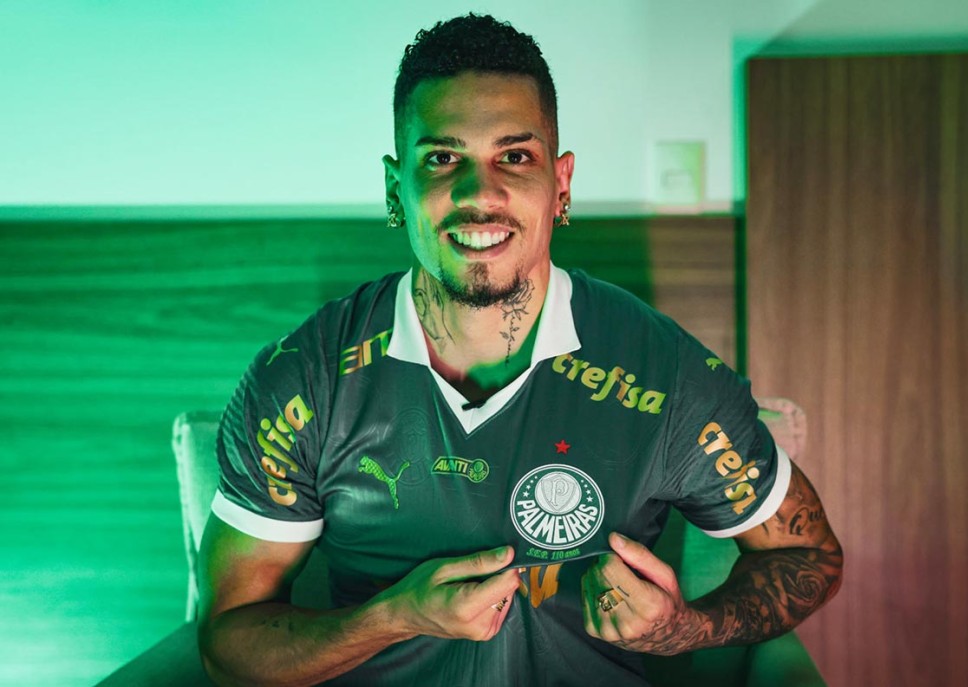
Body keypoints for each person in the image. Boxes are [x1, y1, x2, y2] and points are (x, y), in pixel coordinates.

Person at [198, 13, 843, 686]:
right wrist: (395, 615)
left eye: (514, 157)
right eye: (442, 158)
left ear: (561, 185)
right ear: (396, 189)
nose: (480, 193)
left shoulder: (665, 372)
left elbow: (811, 557)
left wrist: (685, 628)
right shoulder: (304, 380)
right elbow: (226, 646)